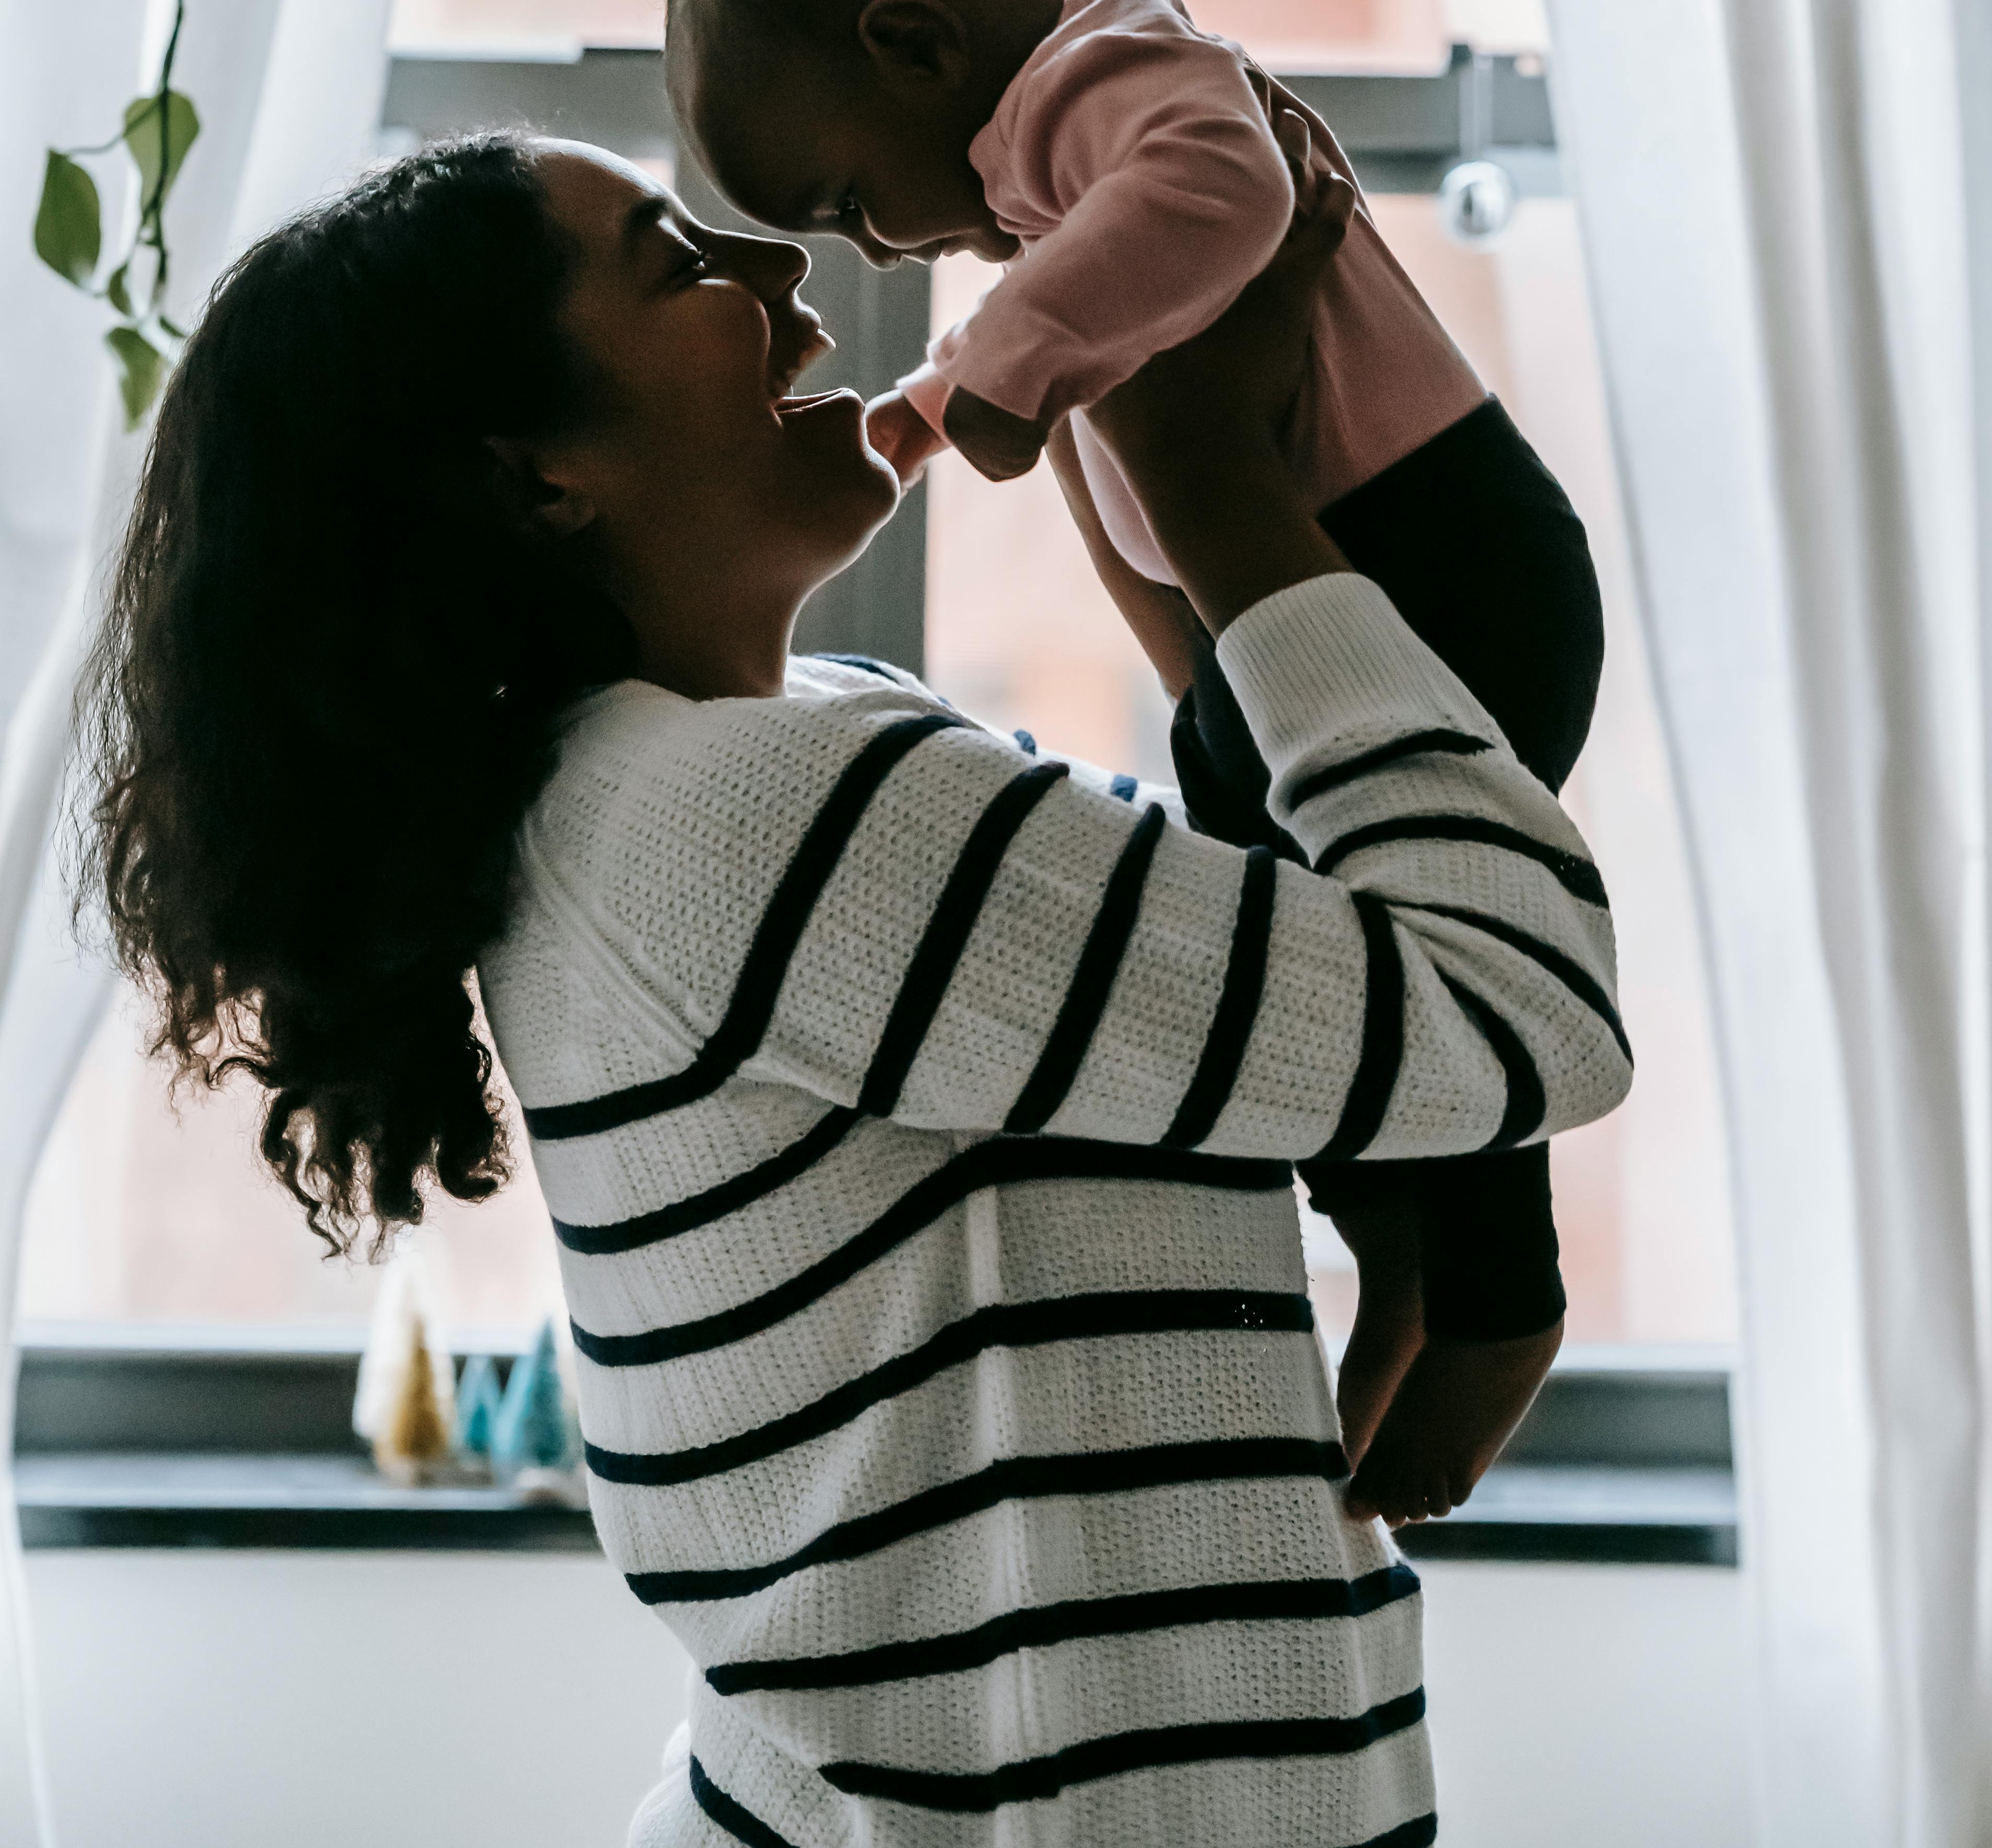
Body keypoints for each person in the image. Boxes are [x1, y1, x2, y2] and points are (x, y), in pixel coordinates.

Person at [76, 129, 1630, 1848]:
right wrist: (1214, 488)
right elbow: (1517, 1009)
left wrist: (1144, 478)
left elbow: (1255, 976)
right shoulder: (744, 820)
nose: (789, 284)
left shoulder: (780, 752)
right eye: (681, 267)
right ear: (537, 480)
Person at [666, 0, 1605, 1510]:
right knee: (1303, 947)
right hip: (1289, 625)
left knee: (1420, 951)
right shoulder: (1047, 179)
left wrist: (995, 374)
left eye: (851, 198)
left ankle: (1497, 1296)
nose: (873, 247)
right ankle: (1399, 1245)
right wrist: (969, 415)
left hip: (1439, 566)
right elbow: (1123, 396)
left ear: (914, 42)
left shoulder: (1117, 78)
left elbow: (1226, 187)